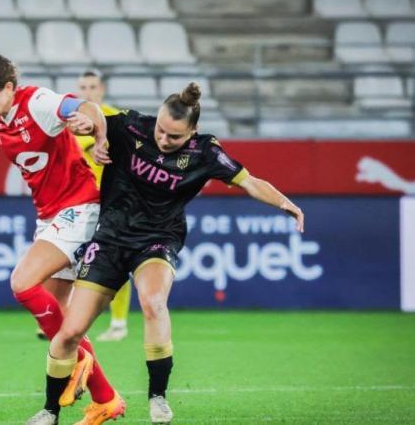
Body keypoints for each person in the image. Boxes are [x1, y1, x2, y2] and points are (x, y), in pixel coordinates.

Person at [33, 82, 305, 424]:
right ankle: (49, 411)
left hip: (158, 239)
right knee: (70, 333)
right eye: (161, 130)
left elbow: (249, 181)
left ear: (192, 132)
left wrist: (286, 204)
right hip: (111, 237)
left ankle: (157, 398)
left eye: (174, 137)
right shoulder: (132, 126)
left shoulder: (206, 152)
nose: (163, 139)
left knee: (153, 302)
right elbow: (90, 110)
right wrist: (94, 131)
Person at [0, 53, 124, 423]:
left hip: (80, 209)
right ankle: (106, 399)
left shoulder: (38, 102)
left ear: (8, 88)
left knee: (22, 282)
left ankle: (81, 363)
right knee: (54, 325)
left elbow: (88, 107)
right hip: (51, 216)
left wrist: (98, 136)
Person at [76, 70, 131, 342]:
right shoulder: (68, 126)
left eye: (92, 86)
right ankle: (72, 320)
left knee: (115, 262)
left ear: (102, 89)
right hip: (78, 203)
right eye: (83, 87)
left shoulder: (115, 119)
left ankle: (119, 323)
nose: (88, 92)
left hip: (111, 203)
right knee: (74, 263)